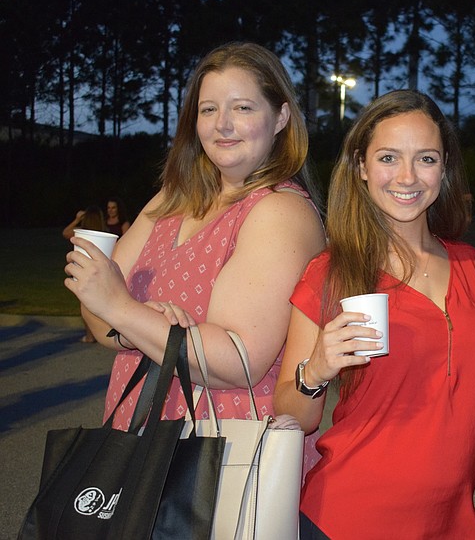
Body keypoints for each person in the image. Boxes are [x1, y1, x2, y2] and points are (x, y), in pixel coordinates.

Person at [273, 90, 475, 539]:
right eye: (389, 157)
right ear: (361, 167)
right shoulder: (331, 273)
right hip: (349, 518)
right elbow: (294, 415)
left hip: (455, 524)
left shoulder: (470, 265)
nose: (408, 176)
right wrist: (315, 370)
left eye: (427, 159)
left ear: (445, 167)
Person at [64, 42, 325, 430]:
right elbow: (94, 301)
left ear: (281, 116)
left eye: (243, 107)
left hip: (218, 450)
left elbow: (239, 361)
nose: (223, 123)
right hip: (139, 430)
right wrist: (137, 323)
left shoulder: (280, 211)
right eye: (209, 109)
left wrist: (125, 312)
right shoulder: (172, 199)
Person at [62, 205, 107, 342]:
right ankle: (100, 333)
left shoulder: (81, 234)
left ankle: (90, 335)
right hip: (100, 272)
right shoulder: (105, 234)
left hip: (83, 271)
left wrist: (77, 220)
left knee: (86, 305)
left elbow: (65, 233)